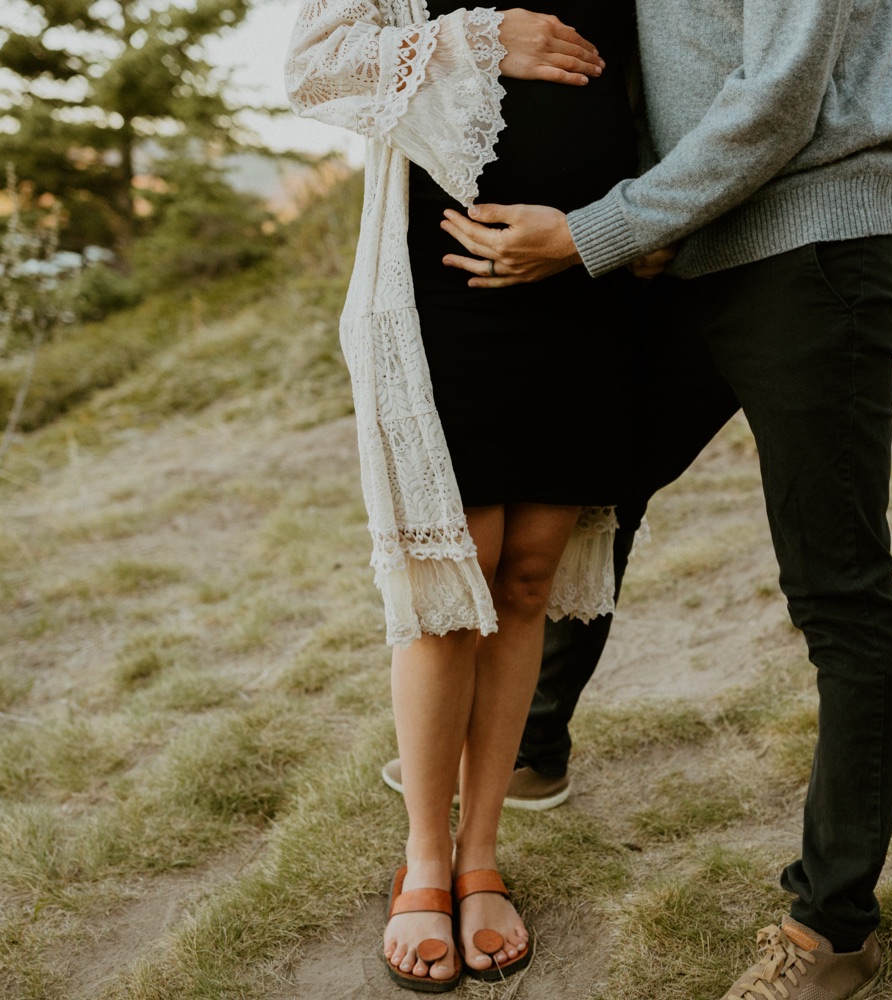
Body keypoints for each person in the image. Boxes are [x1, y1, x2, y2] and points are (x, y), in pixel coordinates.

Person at [431, 1, 892, 997]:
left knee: (836, 587)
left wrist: (597, 231)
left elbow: (779, 101)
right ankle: (531, 745)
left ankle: (832, 928)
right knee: (590, 488)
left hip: (811, 247)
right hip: (694, 250)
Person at [286, 0, 645, 991]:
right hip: (444, 283)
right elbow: (313, 69)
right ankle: (426, 859)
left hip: (583, 281)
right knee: (450, 587)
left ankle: (481, 852)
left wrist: (639, 221)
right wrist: (481, 38)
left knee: (528, 576)